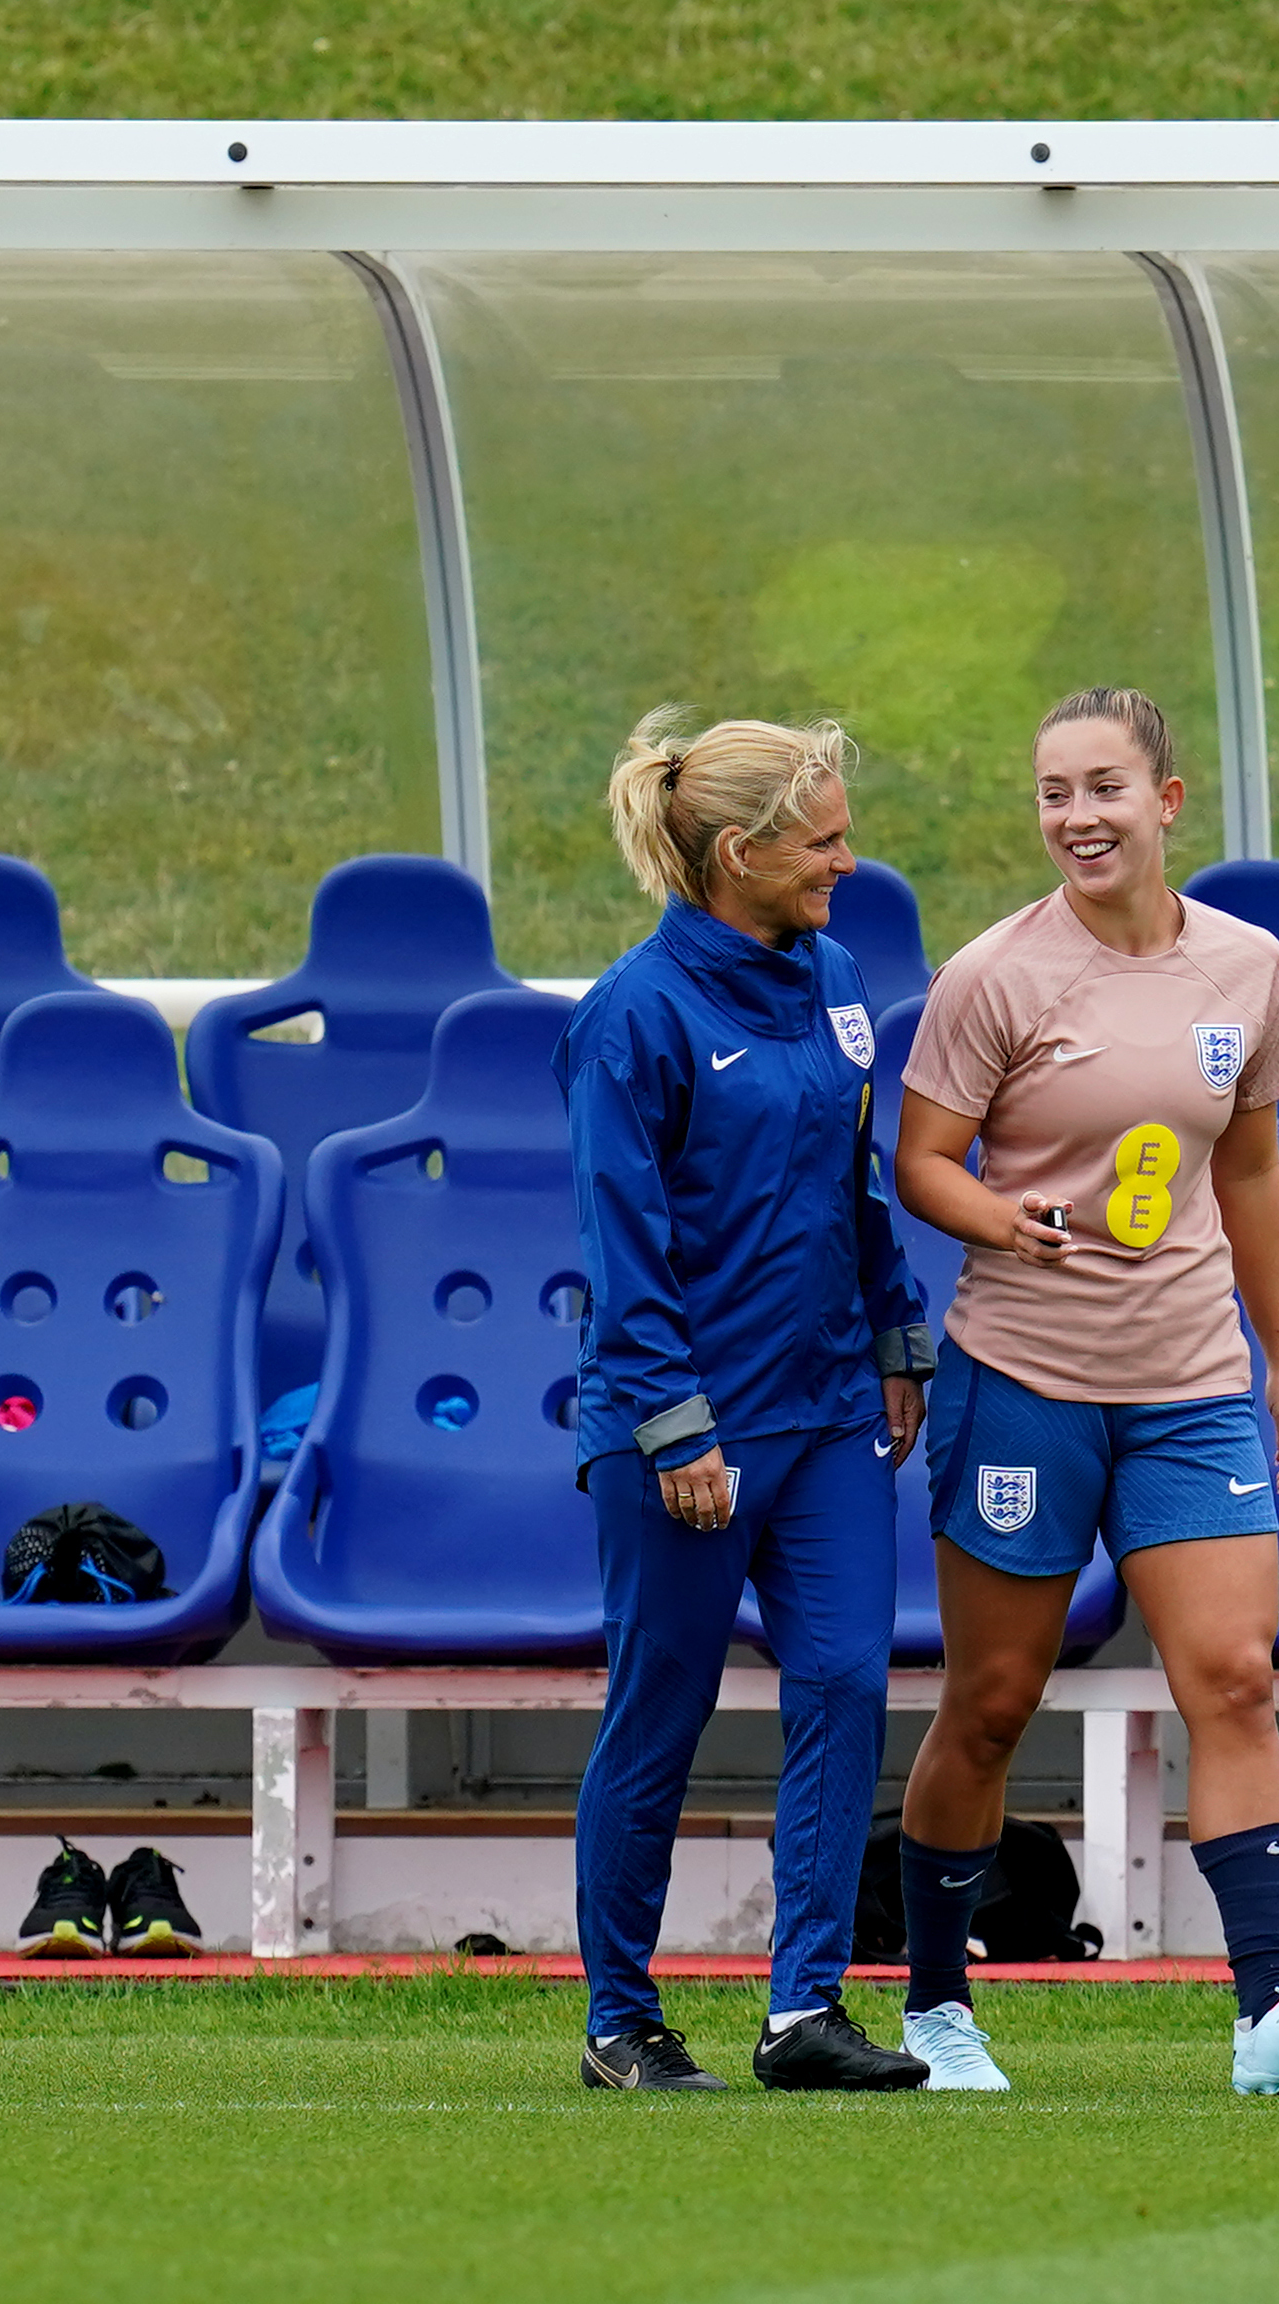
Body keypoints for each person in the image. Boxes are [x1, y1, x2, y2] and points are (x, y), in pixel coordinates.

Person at [889, 686, 1279, 2096]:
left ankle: (1270, 2017)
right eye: (1053, 794)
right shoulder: (993, 975)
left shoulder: (1246, 966)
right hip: (1024, 1384)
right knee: (991, 1704)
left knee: (1232, 1680)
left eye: (1103, 789)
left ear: (1166, 802)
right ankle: (936, 2012)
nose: (1076, 818)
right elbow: (921, 1161)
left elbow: (1245, 1167)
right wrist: (997, 1223)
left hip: (1192, 1385)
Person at [555, 705, 939, 2094]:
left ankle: (803, 2015)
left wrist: (900, 1331)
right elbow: (621, 1239)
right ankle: (620, 2021)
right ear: (736, 851)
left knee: (842, 1681)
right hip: (684, 1432)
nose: (847, 860)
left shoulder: (836, 976)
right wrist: (670, 1422)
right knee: (658, 1705)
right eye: (822, 840)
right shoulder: (630, 1016)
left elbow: (856, 1175)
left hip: (830, 1404)